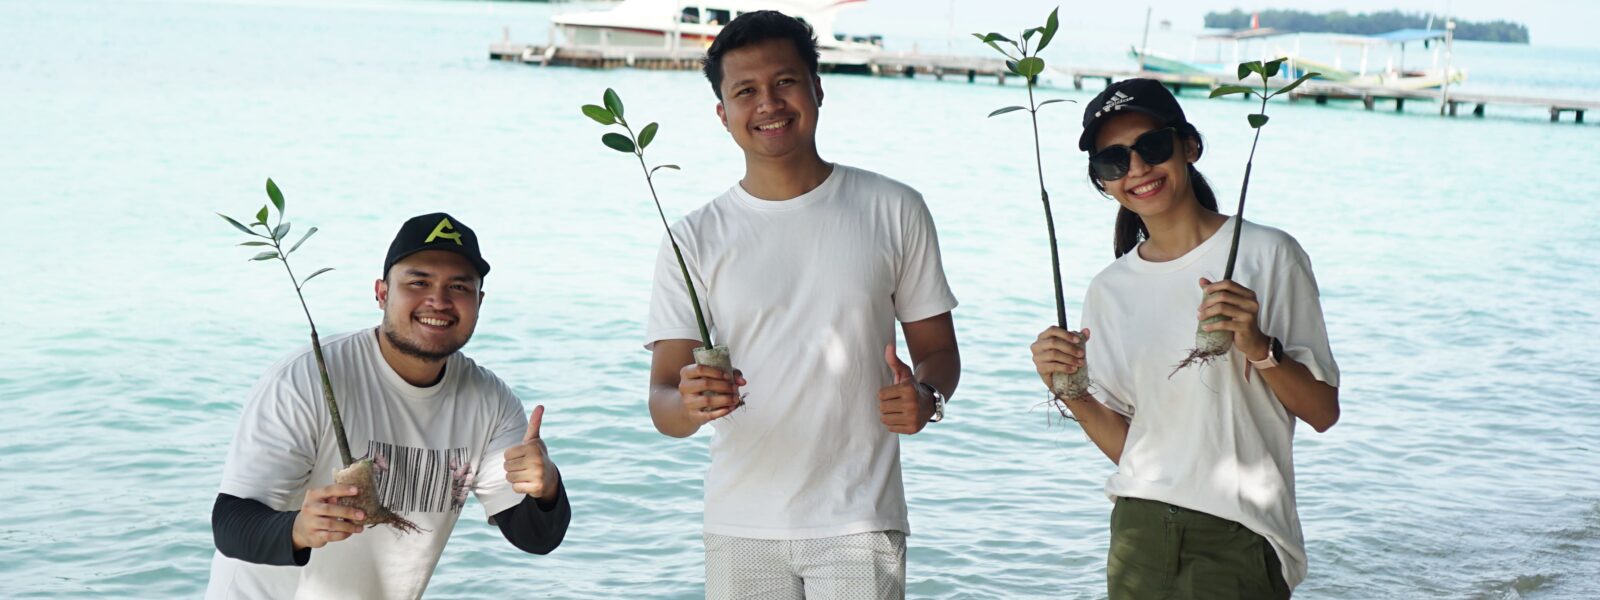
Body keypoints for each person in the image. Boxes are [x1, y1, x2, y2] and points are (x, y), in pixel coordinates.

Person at [644, 11, 960, 599]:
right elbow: (663, 399)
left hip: (860, 518)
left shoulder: (895, 208)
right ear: (723, 114)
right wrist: (689, 403)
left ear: (817, 88)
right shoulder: (693, 237)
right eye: (745, 91)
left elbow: (938, 351)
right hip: (740, 522)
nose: (768, 103)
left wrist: (926, 396)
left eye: (785, 82)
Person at [1030, 79, 1340, 598]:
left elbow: (1323, 411)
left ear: (1189, 146)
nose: (1136, 169)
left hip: (1241, 533)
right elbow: (1134, 447)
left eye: (1152, 146)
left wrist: (1259, 347)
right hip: (1138, 532)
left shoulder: (1269, 254)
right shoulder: (1109, 290)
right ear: (1102, 181)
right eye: (1113, 160)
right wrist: (1070, 391)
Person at [206, 213, 570, 599]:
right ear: (381, 293)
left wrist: (546, 488)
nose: (439, 301)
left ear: (479, 302)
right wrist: (298, 529)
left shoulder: (490, 403)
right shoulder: (305, 378)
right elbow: (229, 524)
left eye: (459, 286)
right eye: (418, 282)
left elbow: (535, 538)